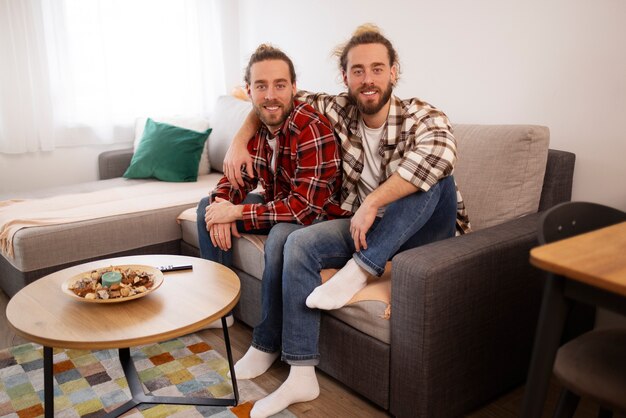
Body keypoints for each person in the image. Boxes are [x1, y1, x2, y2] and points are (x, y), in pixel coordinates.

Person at [224, 24, 471, 418]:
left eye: (377, 69)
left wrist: (373, 199)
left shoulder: (423, 115)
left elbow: (440, 154)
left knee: (439, 177)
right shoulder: (337, 108)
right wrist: (239, 140)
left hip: (426, 230)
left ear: (394, 72)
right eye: (358, 71)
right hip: (364, 227)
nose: (367, 79)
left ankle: (360, 270)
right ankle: (301, 372)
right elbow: (275, 100)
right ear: (345, 77)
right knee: (297, 243)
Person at [196, 43, 347, 359]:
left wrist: (236, 212)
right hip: (282, 205)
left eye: (280, 85)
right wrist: (221, 206)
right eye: (261, 86)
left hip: (321, 217)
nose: (270, 95)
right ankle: (219, 310)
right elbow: (235, 181)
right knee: (206, 208)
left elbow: (303, 208)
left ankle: (266, 342)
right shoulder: (259, 128)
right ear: (249, 91)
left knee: (281, 235)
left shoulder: (311, 128)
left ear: (294, 87)